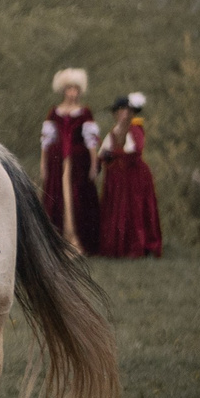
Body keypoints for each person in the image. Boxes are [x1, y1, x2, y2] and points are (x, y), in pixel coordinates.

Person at [97, 92, 163, 258]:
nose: (122, 114)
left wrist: (114, 154)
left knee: (135, 211)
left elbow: (135, 151)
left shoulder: (135, 130)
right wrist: (102, 160)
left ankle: (137, 247)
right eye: (119, 111)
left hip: (135, 177)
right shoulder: (113, 131)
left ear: (131, 113)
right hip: (117, 179)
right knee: (117, 211)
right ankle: (117, 248)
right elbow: (103, 153)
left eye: (125, 110)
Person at [41, 68, 101, 252]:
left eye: (76, 89)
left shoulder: (84, 113)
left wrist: (93, 163)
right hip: (57, 160)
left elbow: (91, 141)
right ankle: (59, 241)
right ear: (63, 90)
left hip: (78, 161)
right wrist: (43, 164)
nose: (73, 93)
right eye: (69, 89)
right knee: (56, 196)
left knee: (79, 197)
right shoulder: (54, 113)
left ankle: (78, 241)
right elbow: (46, 140)